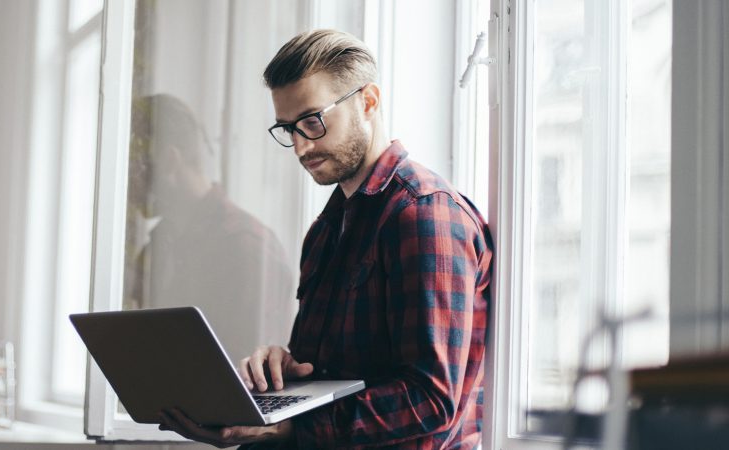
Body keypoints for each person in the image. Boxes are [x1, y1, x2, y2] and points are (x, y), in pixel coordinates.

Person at [158, 30, 493, 449]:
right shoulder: (325, 230)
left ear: (368, 101)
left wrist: (292, 426)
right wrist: (284, 371)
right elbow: (335, 377)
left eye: (313, 122)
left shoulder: (425, 214)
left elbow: (431, 401)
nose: (300, 146)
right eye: (287, 129)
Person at [126, 94, 295, 360]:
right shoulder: (158, 246)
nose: (126, 190)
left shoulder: (247, 248)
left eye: (130, 173)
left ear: (169, 161)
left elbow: (249, 381)